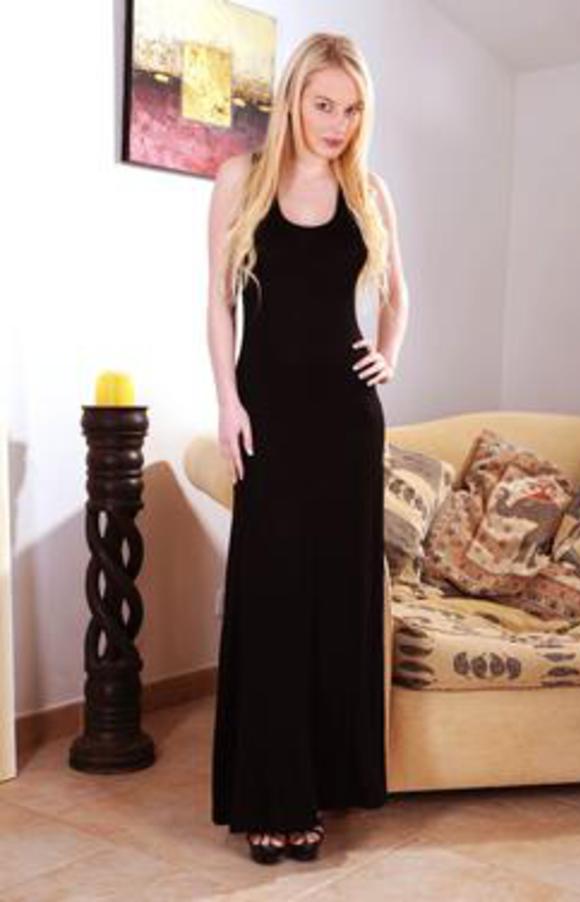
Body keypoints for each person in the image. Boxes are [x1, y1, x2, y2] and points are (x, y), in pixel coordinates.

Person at [206, 31, 407, 865]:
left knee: (335, 605)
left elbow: (398, 297)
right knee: (273, 603)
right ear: (292, 98)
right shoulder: (240, 179)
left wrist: (387, 356)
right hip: (269, 422)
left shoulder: (368, 190)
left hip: (347, 426)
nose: (336, 123)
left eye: (351, 109)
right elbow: (216, 305)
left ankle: (317, 792)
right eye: (324, 104)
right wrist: (227, 404)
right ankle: (271, 795)